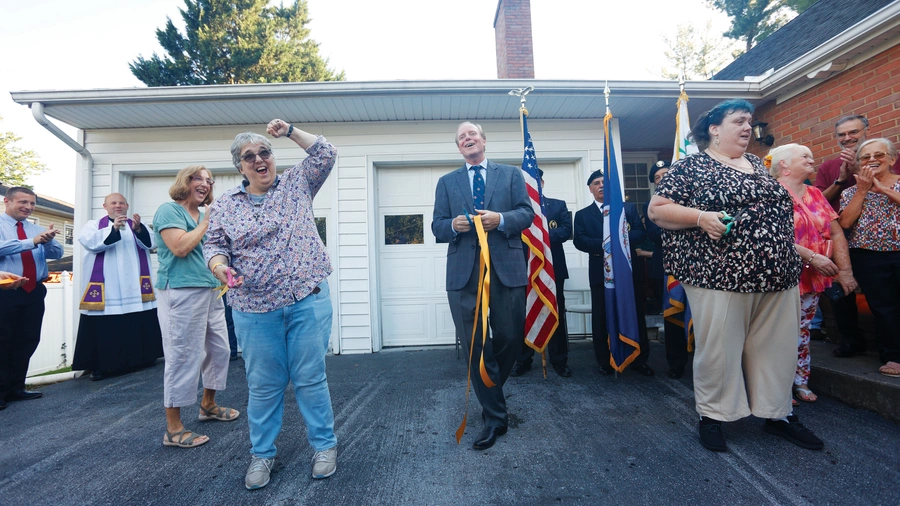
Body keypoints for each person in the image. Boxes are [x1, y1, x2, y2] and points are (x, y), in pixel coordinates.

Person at [648, 99, 824, 452]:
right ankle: (713, 417)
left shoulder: (759, 165)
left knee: (778, 351)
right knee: (720, 352)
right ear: (714, 128)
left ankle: (779, 416)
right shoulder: (692, 167)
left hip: (779, 276)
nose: (748, 127)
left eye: (750, 122)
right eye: (739, 121)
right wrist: (702, 218)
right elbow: (658, 210)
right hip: (720, 277)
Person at [205, 120, 339, 489]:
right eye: (250, 157)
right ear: (240, 166)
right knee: (263, 385)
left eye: (264, 153)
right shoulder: (225, 206)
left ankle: (324, 447)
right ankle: (262, 455)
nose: (259, 160)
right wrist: (221, 269)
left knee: (310, 378)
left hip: (306, 300)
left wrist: (292, 131)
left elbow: (326, 153)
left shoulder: (296, 184)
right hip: (253, 308)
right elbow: (214, 247)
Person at [432, 121, 533, 451]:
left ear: (484, 141)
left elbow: (526, 214)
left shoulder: (511, 175)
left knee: (509, 337)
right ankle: (494, 418)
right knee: (475, 344)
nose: (467, 138)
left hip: (506, 266)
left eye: (471, 134)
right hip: (464, 271)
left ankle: (490, 393)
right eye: (461, 137)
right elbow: (436, 225)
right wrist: (453, 225)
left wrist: (500, 220)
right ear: (458, 148)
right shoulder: (446, 182)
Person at [154, 166, 239, 450]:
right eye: (198, 178)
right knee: (183, 355)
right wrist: (207, 222)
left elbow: (209, 255)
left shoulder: (203, 216)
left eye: (209, 180)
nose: (205, 183)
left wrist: (224, 273)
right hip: (180, 290)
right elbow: (179, 248)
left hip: (210, 290)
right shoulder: (170, 211)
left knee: (220, 350)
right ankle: (173, 428)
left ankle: (208, 405)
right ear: (185, 181)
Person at [768, 144, 858, 403]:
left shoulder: (816, 194)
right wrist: (811, 256)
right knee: (775, 333)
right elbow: (771, 237)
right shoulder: (770, 193)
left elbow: (837, 232)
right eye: (804, 156)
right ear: (784, 164)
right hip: (779, 277)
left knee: (802, 330)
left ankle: (800, 380)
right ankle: (776, 386)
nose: (812, 159)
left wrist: (845, 271)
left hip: (813, 277)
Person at [813, 115, 899, 358]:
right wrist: (844, 178)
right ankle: (856, 341)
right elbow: (820, 203)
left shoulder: (888, 162)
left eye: (853, 132)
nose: (847, 138)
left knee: (885, 299)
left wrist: (879, 184)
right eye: (841, 134)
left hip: (892, 240)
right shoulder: (831, 168)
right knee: (850, 291)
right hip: (848, 235)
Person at [72, 193, 163, 381]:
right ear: (105, 206)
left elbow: (153, 243)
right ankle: (105, 365)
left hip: (135, 285)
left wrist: (139, 231)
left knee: (138, 319)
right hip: (109, 284)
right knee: (107, 325)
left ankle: (143, 359)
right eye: (113, 203)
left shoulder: (138, 224)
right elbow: (89, 243)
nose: (118, 206)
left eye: (121, 203)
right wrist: (112, 229)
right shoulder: (93, 225)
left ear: (127, 205)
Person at [573, 170, 654, 377]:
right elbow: (579, 240)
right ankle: (604, 361)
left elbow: (640, 232)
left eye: (604, 183)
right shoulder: (582, 215)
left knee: (634, 313)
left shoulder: (627, 208)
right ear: (590, 189)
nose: (601, 186)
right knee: (601, 316)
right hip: (600, 271)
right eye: (596, 183)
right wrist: (606, 245)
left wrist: (620, 240)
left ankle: (639, 359)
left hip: (628, 270)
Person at [837, 138, 900, 377]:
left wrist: (884, 190)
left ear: (892, 159)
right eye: (865, 157)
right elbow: (845, 222)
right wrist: (863, 190)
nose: (872, 160)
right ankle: (894, 356)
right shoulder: (852, 191)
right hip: (868, 257)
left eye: (879, 155)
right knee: (884, 308)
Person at [0, 187, 63, 411]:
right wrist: (32, 241)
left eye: (32, 203)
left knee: (27, 339)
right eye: (23, 202)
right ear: (7, 201)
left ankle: (17, 388)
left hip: (33, 290)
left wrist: (47, 241)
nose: (28, 207)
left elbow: (57, 254)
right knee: (3, 341)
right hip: (6, 292)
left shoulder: (36, 228)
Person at [510, 169, 573, 378]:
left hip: (553, 270)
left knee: (556, 312)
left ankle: (559, 360)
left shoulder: (558, 205)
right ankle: (523, 359)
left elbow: (566, 230)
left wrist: (542, 237)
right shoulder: (514, 210)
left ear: (542, 183)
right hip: (523, 268)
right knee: (524, 312)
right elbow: (508, 234)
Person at [645, 161, 691, 379]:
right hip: (666, 268)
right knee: (673, 319)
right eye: (657, 177)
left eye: (667, 174)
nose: (663, 178)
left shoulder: (691, 202)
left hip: (695, 268)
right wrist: (687, 226)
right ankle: (676, 363)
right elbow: (655, 236)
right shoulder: (651, 206)